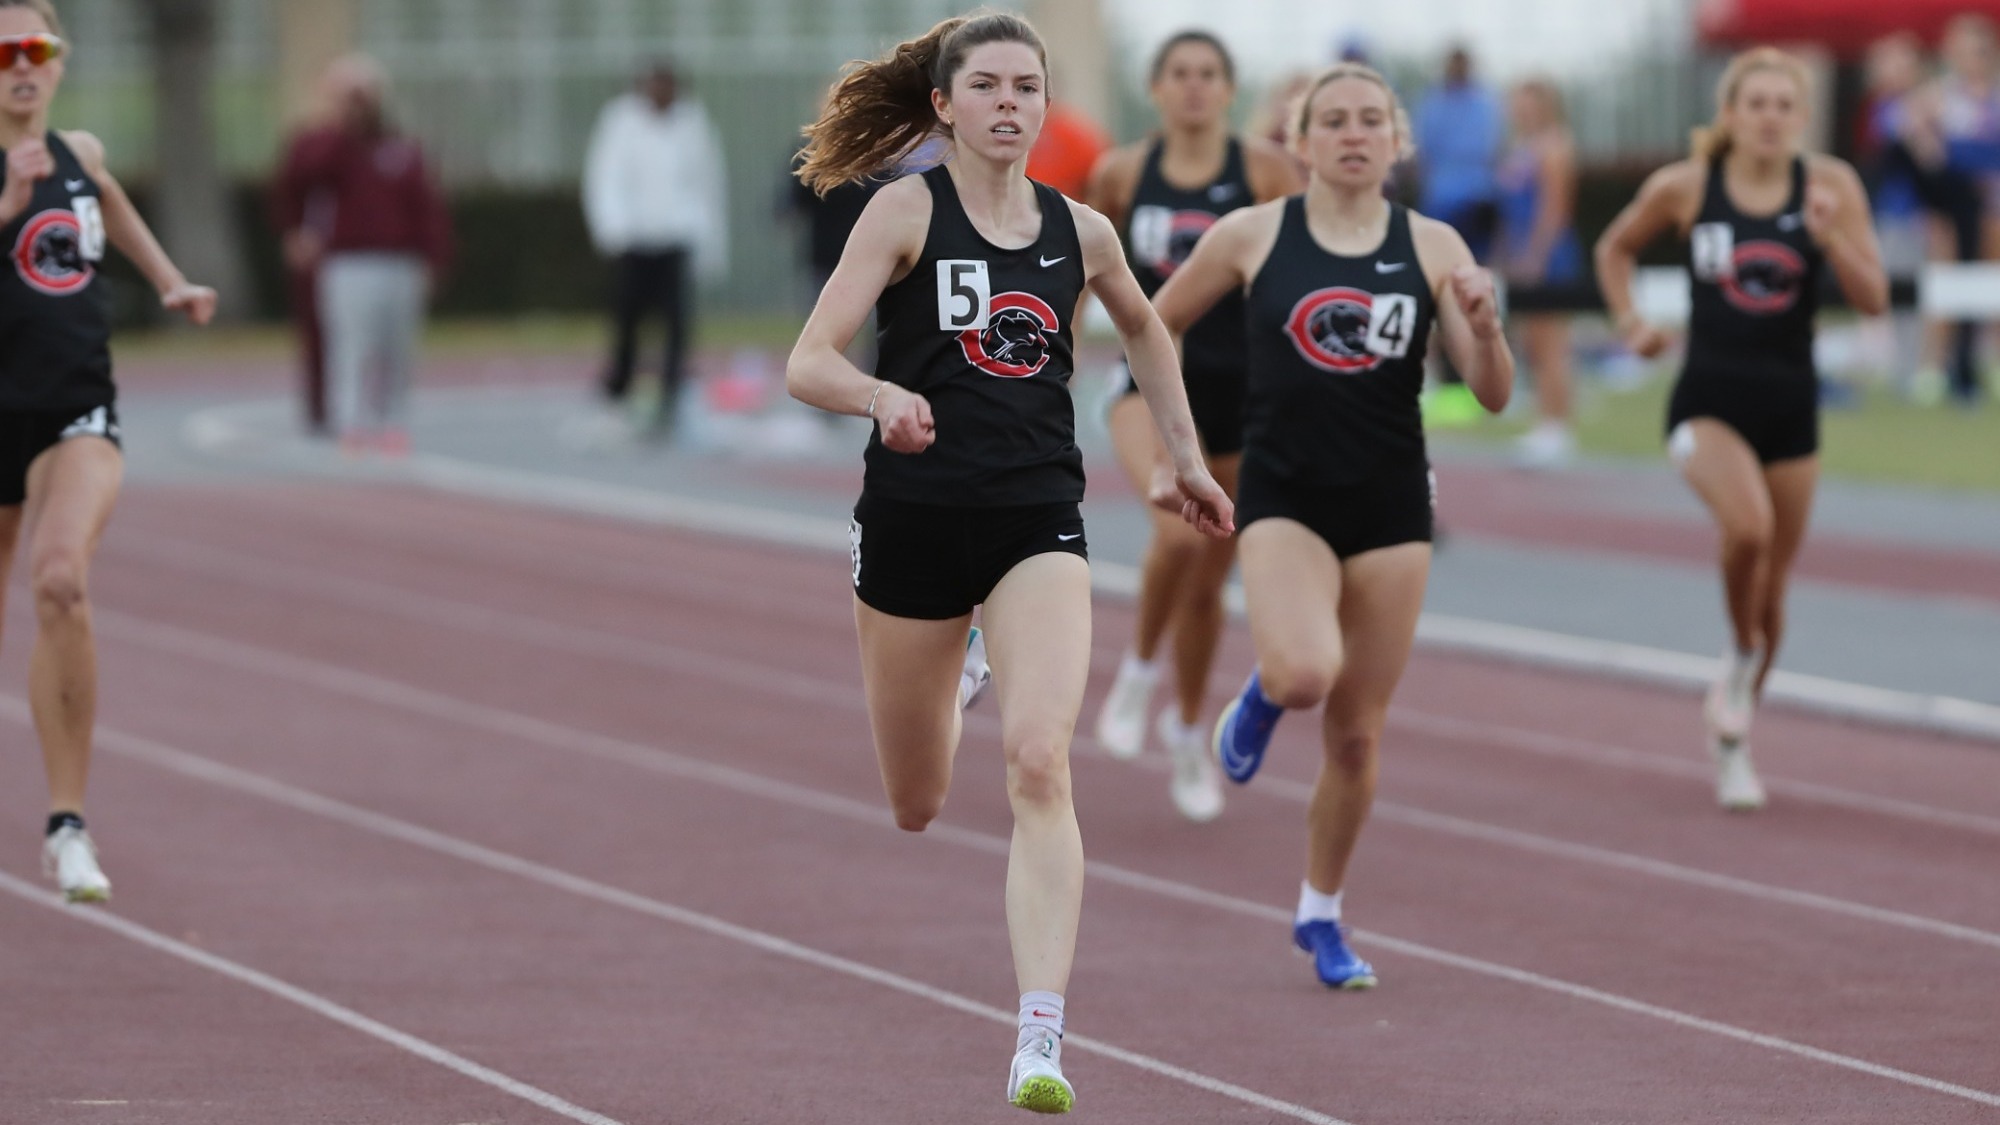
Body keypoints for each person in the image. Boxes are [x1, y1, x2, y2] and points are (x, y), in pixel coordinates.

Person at [786, 12, 1230, 1111]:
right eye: (983, 86)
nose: (1005, 104)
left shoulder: (1079, 233)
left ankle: (1039, 1038)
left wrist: (1181, 461)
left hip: (1038, 520)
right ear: (942, 105)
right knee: (917, 801)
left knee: (1040, 762)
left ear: (1045, 106)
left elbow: (1144, 330)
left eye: (1025, 88)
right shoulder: (901, 212)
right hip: (910, 525)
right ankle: (961, 664)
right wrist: (881, 392)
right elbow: (807, 360)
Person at [1152, 63, 1512, 988]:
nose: (1353, 134)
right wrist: (1175, 446)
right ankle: (1262, 696)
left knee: (1357, 737)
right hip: (1285, 496)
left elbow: (1492, 391)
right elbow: (1157, 324)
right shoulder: (1252, 233)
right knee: (1306, 672)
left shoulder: (1432, 244)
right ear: (1300, 143)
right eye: (1333, 121)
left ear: (1397, 142)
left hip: (1392, 506)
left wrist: (1486, 323)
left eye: (1370, 121)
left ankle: (1321, 913)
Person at [1595, 47, 1886, 810]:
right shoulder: (1688, 186)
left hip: (1792, 407)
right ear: (1729, 115)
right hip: (1707, 400)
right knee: (1748, 530)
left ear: (1801, 117)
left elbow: (1876, 298)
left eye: (1783, 105)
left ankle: (1734, 731)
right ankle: (1739, 661)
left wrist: (1831, 240)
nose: (1769, 117)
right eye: (1754, 103)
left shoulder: (1831, 187)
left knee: (1772, 584)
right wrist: (1630, 321)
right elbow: (1614, 248)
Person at [0, 0, 216, 901]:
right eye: (5, 48)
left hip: (73, 414)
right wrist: (8, 200)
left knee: (59, 579)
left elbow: (112, 203)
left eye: (37, 47)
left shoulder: (80, 154)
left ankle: (67, 826)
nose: (22, 63)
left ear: (61, 59)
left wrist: (169, 279)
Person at [1084, 30, 1298, 821]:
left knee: (1209, 583)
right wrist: (1057, 351)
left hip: (1243, 397)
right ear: (1157, 88)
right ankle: (1138, 672)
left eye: (1210, 74)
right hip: (1146, 383)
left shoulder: (1267, 173)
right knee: (1175, 531)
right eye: (1181, 74)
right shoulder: (1122, 173)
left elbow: (1296, 271)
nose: (1195, 87)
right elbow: (1076, 263)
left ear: (1230, 89)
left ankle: (1183, 732)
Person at [276, 55, 451, 456]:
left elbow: (426, 207)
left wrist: (433, 259)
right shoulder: (324, 145)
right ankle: (348, 420)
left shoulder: (402, 149)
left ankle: (392, 420)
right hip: (347, 261)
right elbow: (297, 184)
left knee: (396, 347)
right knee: (349, 344)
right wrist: (340, 124)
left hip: (399, 261)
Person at [580, 61, 727, 443]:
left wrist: (707, 240)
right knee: (627, 321)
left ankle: (672, 399)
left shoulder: (692, 121)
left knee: (677, 324)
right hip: (634, 239)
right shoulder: (620, 120)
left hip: (676, 238)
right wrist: (613, 230)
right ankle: (617, 394)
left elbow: (707, 181)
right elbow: (605, 176)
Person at [270, 59, 365, 437]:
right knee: (318, 330)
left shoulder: (380, 144)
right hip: (320, 249)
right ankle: (321, 407)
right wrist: (294, 233)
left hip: (360, 252)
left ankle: (366, 409)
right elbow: (290, 189)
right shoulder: (312, 142)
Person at [1411, 45, 1503, 428]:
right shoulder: (1434, 104)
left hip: (1472, 202)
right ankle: (1439, 379)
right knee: (1432, 289)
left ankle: (1484, 373)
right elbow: (1422, 155)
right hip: (1445, 202)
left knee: (1477, 288)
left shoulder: (1483, 103)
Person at [1495, 79, 1582, 469]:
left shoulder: (1555, 146)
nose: (1520, 110)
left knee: (1551, 343)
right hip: (1520, 251)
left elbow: (1554, 208)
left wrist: (1536, 256)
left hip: (1548, 257)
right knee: (1531, 341)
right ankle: (1544, 421)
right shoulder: (1520, 147)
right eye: (1517, 104)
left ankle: (1558, 428)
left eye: (1528, 104)